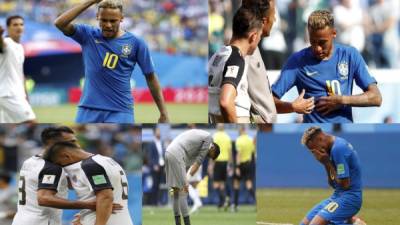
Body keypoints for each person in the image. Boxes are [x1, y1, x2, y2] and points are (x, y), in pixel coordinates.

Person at [54, 0, 169, 123]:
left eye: (113, 21)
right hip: (88, 110)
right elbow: (60, 23)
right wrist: (90, 2)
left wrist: (163, 113)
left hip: (121, 111)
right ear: (98, 17)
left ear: (121, 19)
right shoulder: (88, 35)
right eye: (104, 20)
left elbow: (150, 77)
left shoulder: (136, 43)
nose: (108, 25)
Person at [272, 10, 382, 123]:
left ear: (334, 33)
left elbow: (376, 97)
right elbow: (269, 102)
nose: (317, 48)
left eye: (322, 42)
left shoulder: (349, 55)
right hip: (314, 136)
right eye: (312, 42)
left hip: (345, 135)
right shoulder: (297, 61)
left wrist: (342, 100)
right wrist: (292, 107)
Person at [12, 126, 120, 225]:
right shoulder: (51, 167)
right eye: (71, 142)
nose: (76, 145)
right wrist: (89, 205)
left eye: (75, 140)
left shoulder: (31, 161)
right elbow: (44, 198)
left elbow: (56, 183)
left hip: (21, 218)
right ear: (52, 144)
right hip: (41, 221)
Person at [43, 141, 132, 225]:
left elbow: (106, 197)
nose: (62, 167)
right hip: (120, 218)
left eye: (60, 163)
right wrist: (85, 216)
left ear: (66, 156)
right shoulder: (106, 160)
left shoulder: (90, 166)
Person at [300, 126, 366, 225]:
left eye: (314, 149)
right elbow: (332, 184)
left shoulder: (338, 149)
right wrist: (326, 164)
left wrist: (328, 163)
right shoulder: (330, 148)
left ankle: (351, 222)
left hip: (350, 198)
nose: (315, 153)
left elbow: (345, 184)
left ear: (320, 139)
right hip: (337, 196)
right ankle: (351, 222)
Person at [208, 6, 263, 123]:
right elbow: (225, 102)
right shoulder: (236, 59)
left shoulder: (217, 55)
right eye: (260, 36)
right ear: (253, 37)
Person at [165, 129, 220, 225]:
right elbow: (196, 165)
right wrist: (186, 181)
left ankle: (177, 222)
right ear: (213, 149)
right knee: (183, 192)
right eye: (211, 156)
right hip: (177, 154)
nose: (208, 157)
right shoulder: (208, 140)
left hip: (168, 152)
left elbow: (186, 165)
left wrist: (185, 178)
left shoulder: (198, 145)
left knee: (175, 191)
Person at [0, 15, 36, 123]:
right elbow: (1, 45)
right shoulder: (6, 43)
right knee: (31, 122)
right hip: (8, 94)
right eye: (15, 25)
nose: (19, 27)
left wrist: (26, 96)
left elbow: (20, 74)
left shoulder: (20, 47)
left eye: (21, 24)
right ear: (7, 28)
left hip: (16, 94)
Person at [232, 126, 255, 212]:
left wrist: (237, 167)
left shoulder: (239, 140)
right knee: (249, 185)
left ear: (240, 130)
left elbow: (239, 154)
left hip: (241, 164)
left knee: (236, 184)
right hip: (248, 164)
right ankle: (257, 203)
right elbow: (252, 152)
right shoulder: (250, 139)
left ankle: (236, 205)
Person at [211, 124, 232, 210]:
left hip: (217, 162)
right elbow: (230, 152)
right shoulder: (227, 137)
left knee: (216, 185)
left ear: (217, 128)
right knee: (222, 183)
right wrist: (230, 164)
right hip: (225, 162)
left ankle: (224, 199)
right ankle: (222, 203)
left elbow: (213, 151)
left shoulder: (215, 136)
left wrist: (211, 164)